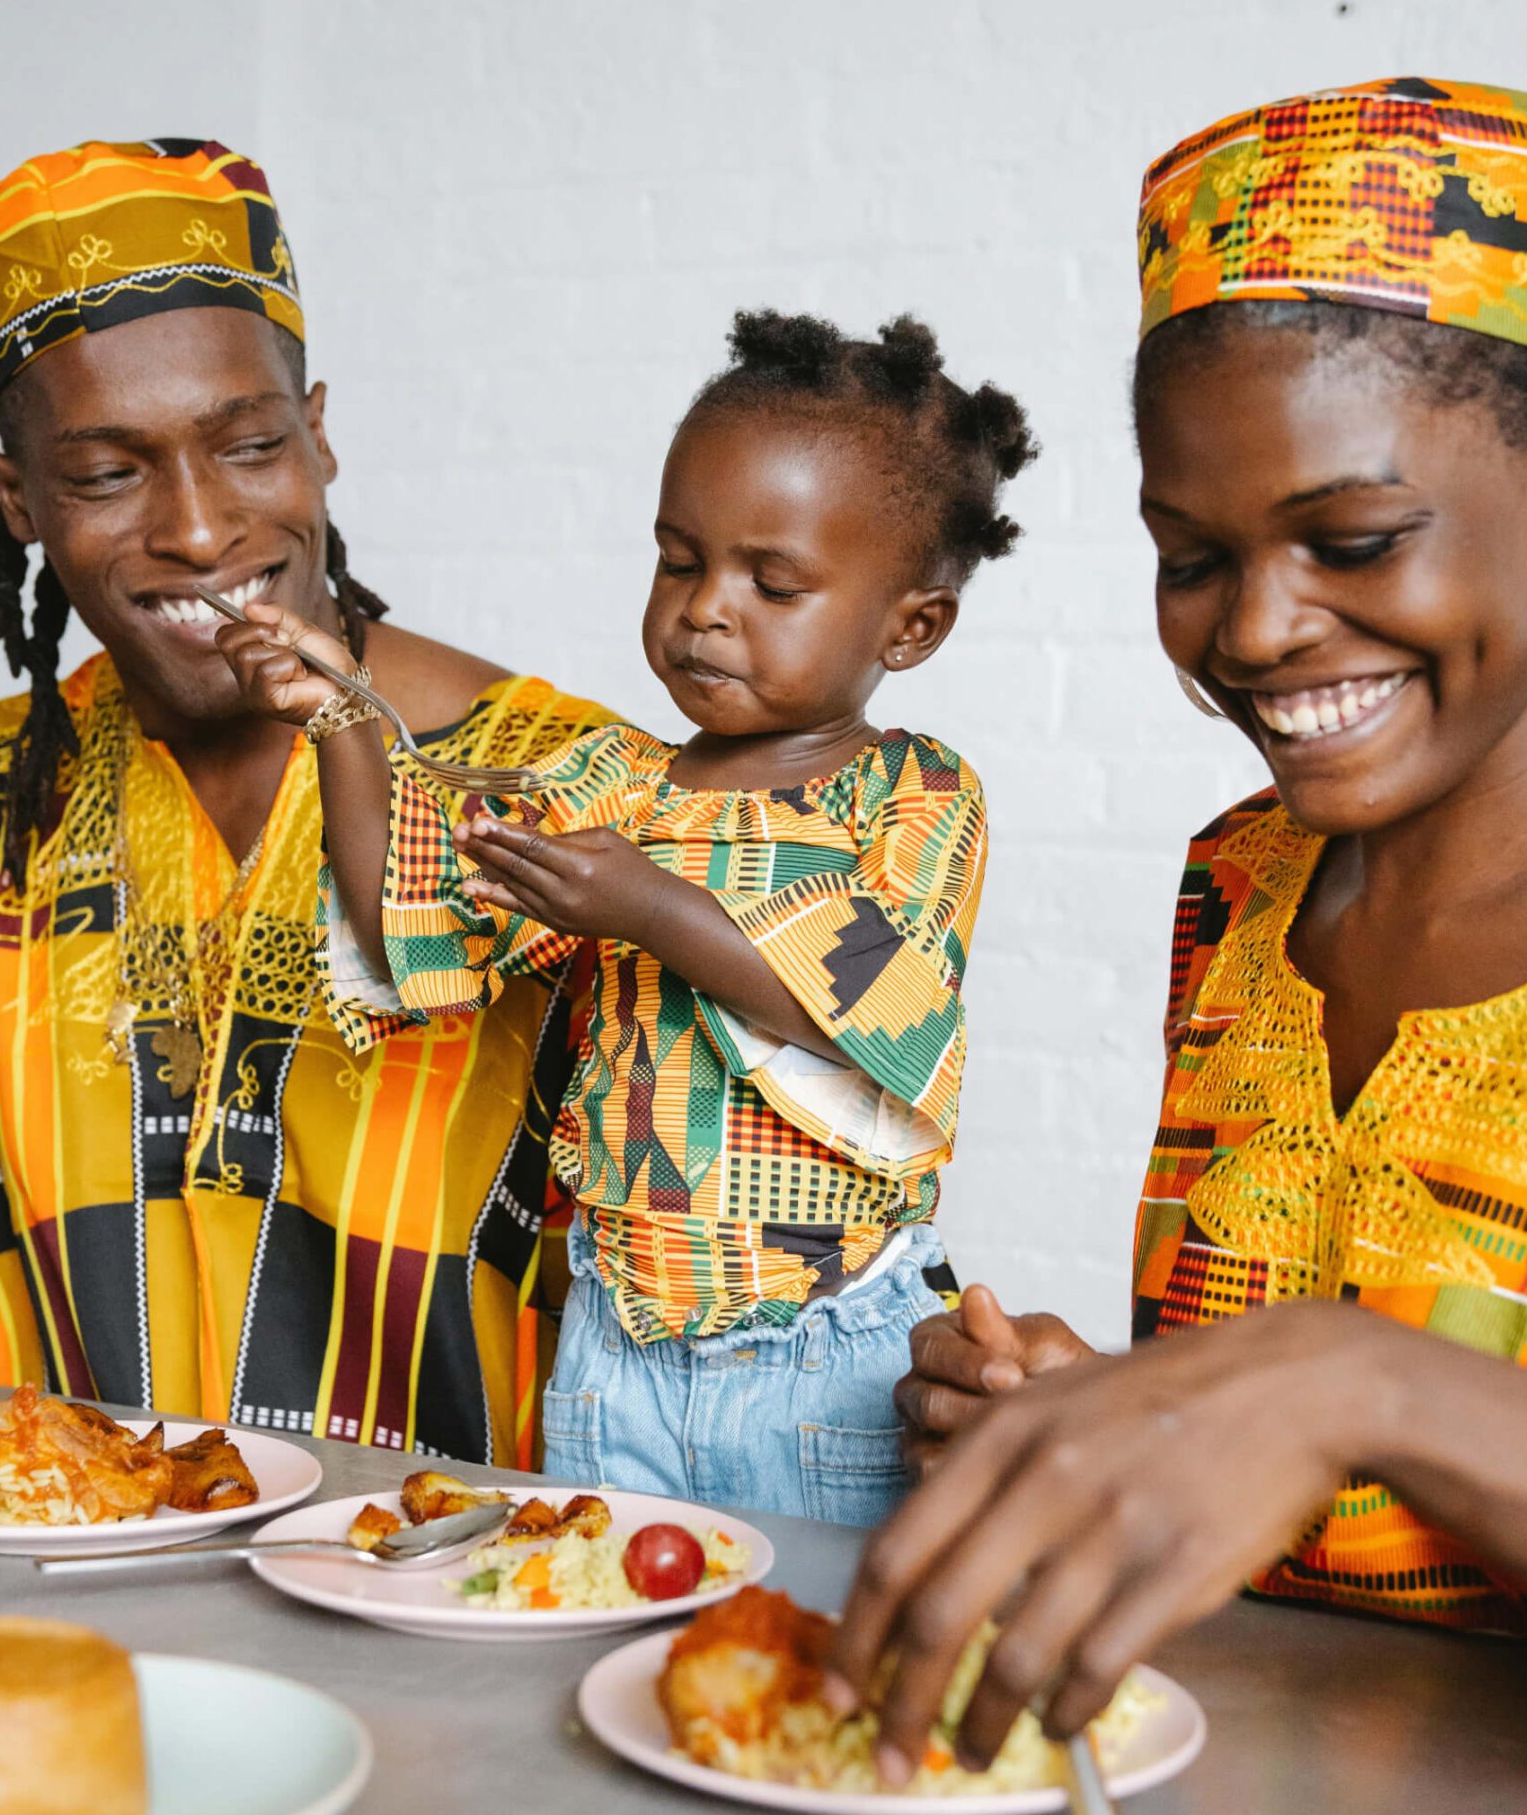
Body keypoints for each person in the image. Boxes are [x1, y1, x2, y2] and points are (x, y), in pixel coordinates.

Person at [832, 76, 1527, 1771]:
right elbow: (1326, 1516)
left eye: (1356, 539)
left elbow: (1356, 1398)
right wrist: (1114, 1420)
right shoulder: (1244, 887)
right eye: (1191, 555)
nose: (1253, 632)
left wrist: (1346, 1385)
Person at [220, 309, 1036, 1521]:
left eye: (774, 581)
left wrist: (647, 906)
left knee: (816, 1664)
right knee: (603, 1635)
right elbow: (409, 928)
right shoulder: (613, 785)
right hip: (613, 1357)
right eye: (679, 559)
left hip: (825, 1359)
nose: (707, 608)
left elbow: (878, 1019)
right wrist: (341, 720)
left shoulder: (914, 794)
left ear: (909, 625)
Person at [0, 137, 611, 1460]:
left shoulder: (559, 785)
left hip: (472, 1595)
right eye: (108, 473)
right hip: (71, 1570)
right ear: (19, 498)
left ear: (317, 437)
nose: (202, 529)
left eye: (251, 445)